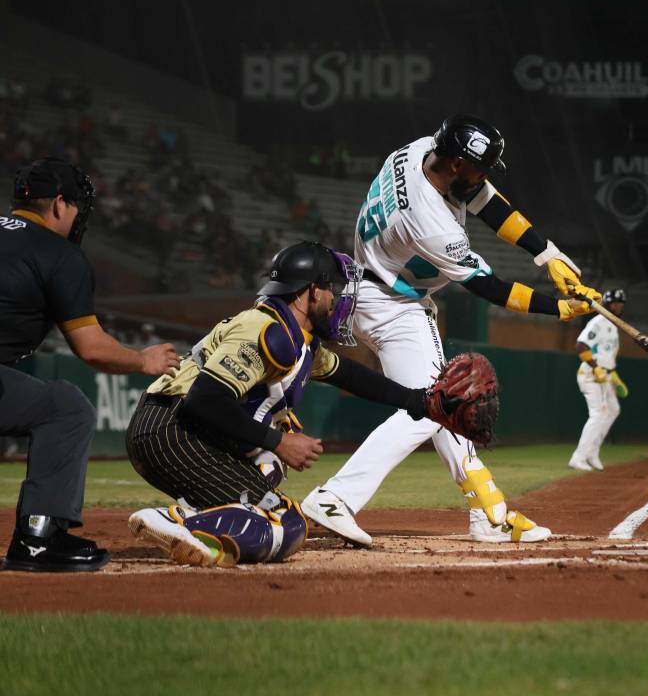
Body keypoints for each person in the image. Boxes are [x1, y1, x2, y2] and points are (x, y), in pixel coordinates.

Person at [300, 114, 601, 547]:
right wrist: (559, 308)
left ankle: (489, 513)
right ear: (458, 163)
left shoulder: (423, 148)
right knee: (433, 406)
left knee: (445, 406)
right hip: (392, 305)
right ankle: (335, 498)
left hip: (372, 289)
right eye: (479, 167)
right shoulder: (431, 223)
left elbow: (487, 201)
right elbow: (489, 288)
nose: (483, 176)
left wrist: (546, 254)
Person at [124, 242, 496, 567]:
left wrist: (422, 402)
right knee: (285, 523)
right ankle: (178, 522)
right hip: (169, 427)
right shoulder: (268, 330)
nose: (340, 299)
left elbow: (349, 376)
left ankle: (200, 516)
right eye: (333, 289)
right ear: (311, 291)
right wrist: (279, 443)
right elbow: (204, 399)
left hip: (175, 428)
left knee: (272, 463)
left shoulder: (295, 336)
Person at [0, 158, 180, 572]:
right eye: (78, 209)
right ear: (60, 205)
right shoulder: (59, 255)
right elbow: (92, 348)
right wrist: (143, 359)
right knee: (66, 407)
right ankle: (38, 539)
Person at [569, 289, 628, 471]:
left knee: (613, 409)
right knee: (599, 413)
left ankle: (592, 452)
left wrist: (614, 377)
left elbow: (607, 355)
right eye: (614, 303)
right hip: (591, 374)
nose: (617, 306)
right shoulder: (599, 321)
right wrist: (596, 367)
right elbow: (580, 345)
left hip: (605, 375)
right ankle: (578, 457)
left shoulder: (614, 324)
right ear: (607, 304)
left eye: (620, 303)